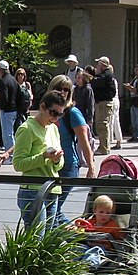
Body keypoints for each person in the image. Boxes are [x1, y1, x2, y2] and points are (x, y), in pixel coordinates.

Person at [0, 90, 66, 229]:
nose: (56, 117)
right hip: (32, 190)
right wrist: (43, 157)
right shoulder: (27, 129)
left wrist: (57, 160)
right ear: (42, 107)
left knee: (48, 240)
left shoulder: (53, 129)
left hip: (52, 188)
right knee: (36, 237)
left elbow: (59, 166)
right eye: (53, 113)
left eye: (60, 114)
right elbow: (18, 164)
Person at [46, 74, 96, 223]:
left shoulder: (72, 113)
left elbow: (84, 141)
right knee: (50, 210)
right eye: (58, 89)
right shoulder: (47, 110)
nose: (62, 92)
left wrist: (91, 166)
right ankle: (78, 236)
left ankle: (79, 238)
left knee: (53, 210)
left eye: (66, 89)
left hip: (67, 166)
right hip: (48, 165)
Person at [90, 56, 118, 154]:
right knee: (100, 124)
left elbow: (97, 83)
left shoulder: (107, 74)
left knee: (102, 124)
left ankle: (104, 148)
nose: (97, 66)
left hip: (104, 103)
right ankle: (104, 146)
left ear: (103, 65)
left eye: (98, 64)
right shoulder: (103, 74)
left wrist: (91, 78)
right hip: (101, 102)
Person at [0, 60, 20, 149]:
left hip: (6, 110)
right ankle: (11, 153)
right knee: (10, 132)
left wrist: (2, 107)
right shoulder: (13, 80)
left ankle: (10, 155)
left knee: (7, 134)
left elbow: (4, 97)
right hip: (14, 109)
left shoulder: (3, 81)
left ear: (1, 70)